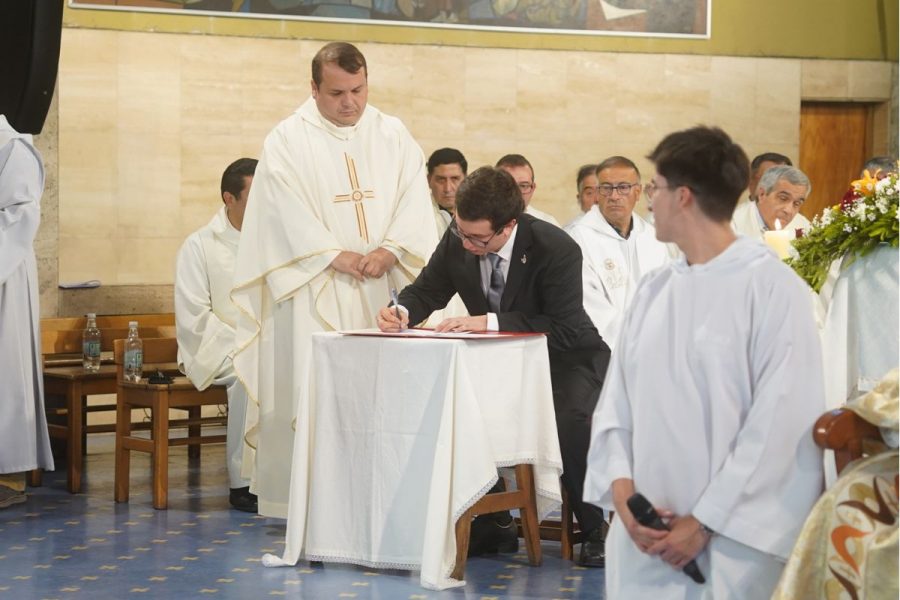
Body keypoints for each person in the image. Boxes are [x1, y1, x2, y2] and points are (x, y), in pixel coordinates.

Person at [584, 126, 824, 599]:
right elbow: (615, 405)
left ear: (684, 197)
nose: (649, 198)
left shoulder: (775, 291)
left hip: (731, 546)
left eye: (655, 187)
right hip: (643, 536)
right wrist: (622, 495)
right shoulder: (654, 291)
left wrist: (706, 521)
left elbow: (779, 426)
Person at [231, 42, 439, 518]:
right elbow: (280, 213)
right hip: (315, 291)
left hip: (385, 288)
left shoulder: (392, 134)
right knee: (318, 400)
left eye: (359, 90)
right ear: (314, 88)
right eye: (337, 93)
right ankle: (316, 507)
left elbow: (413, 197)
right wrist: (331, 255)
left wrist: (391, 249)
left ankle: (392, 497)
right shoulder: (287, 139)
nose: (350, 103)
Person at [377, 166, 611, 567]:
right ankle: (495, 522)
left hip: (567, 358)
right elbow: (427, 289)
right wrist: (401, 310)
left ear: (509, 226)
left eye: (478, 238)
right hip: (501, 363)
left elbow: (564, 326)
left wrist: (487, 322)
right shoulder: (459, 238)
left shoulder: (555, 247)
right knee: (456, 405)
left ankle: (595, 528)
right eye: (461, 233)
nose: (467, 244)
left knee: (569, 417)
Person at [175, 158, 259, 513]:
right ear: (229, 198)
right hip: (214, 346)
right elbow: (194, 314)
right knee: (248, 375)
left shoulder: (275, 243)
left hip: (264, 344)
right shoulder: (199, 245)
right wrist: (243, 345)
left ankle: (284, 477)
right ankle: (243, 483)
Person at [0, 115, 54, 509]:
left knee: (7, 373)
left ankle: (7, 475)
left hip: (7, 276)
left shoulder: (12, 146)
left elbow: (21, 214)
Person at [567, 156, 668, 349]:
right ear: (597, 193)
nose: (614, 196)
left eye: (623, 187)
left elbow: (665, 296)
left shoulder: (653, 238)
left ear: (637, 192)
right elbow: (589, 304)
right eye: (606, 188)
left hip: (654, 346)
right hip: (603, 352)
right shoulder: (579, 238)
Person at [732, 165, 811, 240]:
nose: (789, 210)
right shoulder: (733, 225)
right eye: (783, 198)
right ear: (762, 194)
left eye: (797, 203)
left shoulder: (803, 226)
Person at [496, 154, 561, 227]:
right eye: (508, 185)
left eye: (523, 186)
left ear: (532, 188)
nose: (516, 192)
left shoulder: (548, 224)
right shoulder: (482, 222)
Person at [426, 147, 467, 233]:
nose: (448, 189)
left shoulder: (482, 212)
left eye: (455, 179)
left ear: (466, 179)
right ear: (428, 180)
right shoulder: (418, 216)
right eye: (441, 180)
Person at [564, 164, 599, 231]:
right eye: (590, 193)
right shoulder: (574, 231)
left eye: (602, 191)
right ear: (579, 199)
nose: (597, 199)